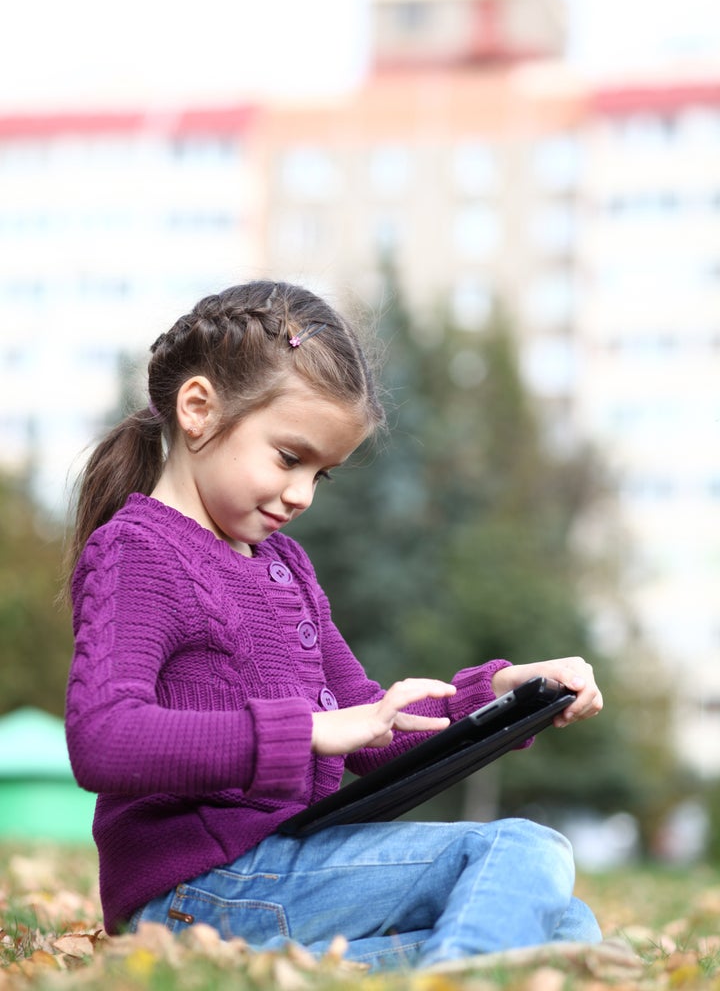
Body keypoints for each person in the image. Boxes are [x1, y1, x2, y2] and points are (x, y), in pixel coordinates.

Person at [65, 279, 604, 971]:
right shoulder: (139, 550)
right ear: (198, 409)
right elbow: (103, 738)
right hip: (198, 892)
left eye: (323, 476)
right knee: (525, 853)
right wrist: (308, 731)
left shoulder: (284, 566)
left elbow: (376, 729)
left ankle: (345, 972)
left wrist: (511, 692)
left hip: (278, 874)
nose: (300, 494)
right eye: (290, 458)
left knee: (566, 920)